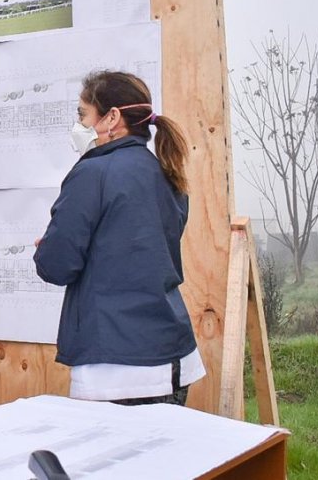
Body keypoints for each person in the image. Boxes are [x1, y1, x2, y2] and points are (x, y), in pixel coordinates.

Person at [33, 70, 204, 406]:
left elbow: (57, 266)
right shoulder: (167, 172)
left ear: (111, 118)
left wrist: (48, 248)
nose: (79, 125)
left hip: (116, 371)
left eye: (83, 115)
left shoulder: (92, 173)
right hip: (176, 359)